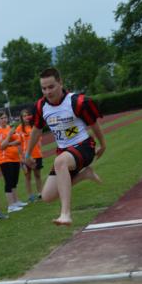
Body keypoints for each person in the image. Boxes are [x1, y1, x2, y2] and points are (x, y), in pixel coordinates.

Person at [23, 67, 106, 226]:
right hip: (64, 152)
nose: (47, 92)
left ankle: (65, 214)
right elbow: (36, 130)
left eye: (51, 87)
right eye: (44, 88)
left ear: (60, 83)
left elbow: (94, 125)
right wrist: (27, 154)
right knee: (47, 196)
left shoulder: (77, 102)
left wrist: (102, 145)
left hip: (84, 146)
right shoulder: (40, 106)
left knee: (60, 162)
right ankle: (85, 174)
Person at [0, 111, 27, 213]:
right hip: (5, 159)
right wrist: (9, 136)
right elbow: (1, 146)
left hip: (15, 157)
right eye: (1, 118)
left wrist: (9, 143)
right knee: (9, 181)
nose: (4, 120)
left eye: (5, 118)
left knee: (14, 181)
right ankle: (11, 205)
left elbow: (18, 141)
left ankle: (16, 201)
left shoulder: (9, 128)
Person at [16, 108, 43, 202]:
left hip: (36, 154)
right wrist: (22, 157)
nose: (26, 117)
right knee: (28, 176)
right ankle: (30, 195)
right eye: (24, 116)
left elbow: (39, 139)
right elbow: (19, 144)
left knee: (38, 175)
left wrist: (39, 150)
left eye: (27, 115)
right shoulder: (19, 128)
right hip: (25, 156)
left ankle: (40, 193)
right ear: (21, 118)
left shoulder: (35, 126)